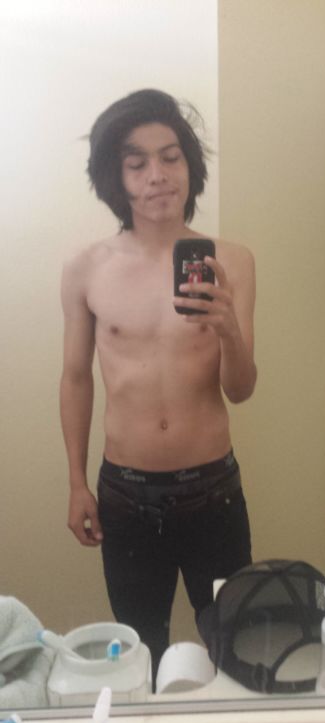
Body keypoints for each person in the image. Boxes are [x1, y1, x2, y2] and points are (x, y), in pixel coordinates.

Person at [59, 89, 257, 684]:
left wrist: (229, 330)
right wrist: (75, 482)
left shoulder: (232, 261)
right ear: (115, 178)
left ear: (189, 167)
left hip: (213, 493)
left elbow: (241, 389)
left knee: (233, 645)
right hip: (126, 497)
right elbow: (75, 377)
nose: (157, 176)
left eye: (171, 157)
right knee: (141, 652)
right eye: (136, 162)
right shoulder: (86, 268)